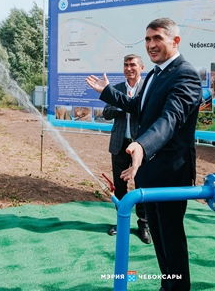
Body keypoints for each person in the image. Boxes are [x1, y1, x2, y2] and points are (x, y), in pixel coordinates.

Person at [86, 18, 201, 291]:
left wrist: (142, 145)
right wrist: (108, 92)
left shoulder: (185, 74)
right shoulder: (155, 74)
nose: (151, 45)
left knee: (171, 237)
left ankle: (178, 288)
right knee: (159, 237)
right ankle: (167, 285)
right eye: (147, 39)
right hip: (148, 170)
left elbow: (170, 119)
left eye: (157, 38)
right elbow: (138, 106)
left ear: (175, 41)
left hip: (171, 172)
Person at [102, 54, 151, 244]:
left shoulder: (147, 88)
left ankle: (143, 225)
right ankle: (122, 222)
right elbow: (106, 112)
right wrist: (123, 106)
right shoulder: (117, 89)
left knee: (142, 185)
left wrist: (133, 105)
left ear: (141, 67)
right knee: (120, 185)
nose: (129, 68)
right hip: (119, 144)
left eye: (133, 65)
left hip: (142, 145)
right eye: (126, 65)